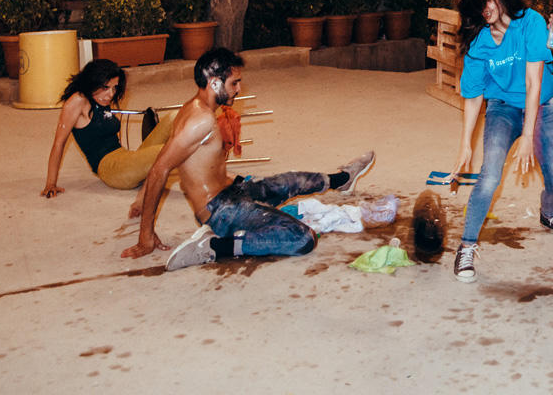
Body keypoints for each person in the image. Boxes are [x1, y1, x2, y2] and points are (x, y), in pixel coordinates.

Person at [121, 48, 375, 269]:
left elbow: (193, 164)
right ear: (215, 83)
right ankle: (214, 247)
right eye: (234, 83)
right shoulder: (200, 120)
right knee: (302, 238)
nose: (239, 89)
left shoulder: (199, 108)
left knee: (290, 181)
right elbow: (159, 169)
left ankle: (342, 179)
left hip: (232, 191)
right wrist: (146, 236)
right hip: (220, 211)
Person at [447, 0, 553, 284]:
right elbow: (474, 95)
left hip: (540, 108)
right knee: (489, 177)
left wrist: (528, 135)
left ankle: (548, 215)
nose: (485, 8)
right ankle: (467, 245)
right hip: (502, 109)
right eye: (480, 2)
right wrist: (465, 145)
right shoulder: (479, 40)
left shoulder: (531, 23)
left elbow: (534, 84)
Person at [42, 59, 172, 216]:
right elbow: (59, 143)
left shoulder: (101, 99)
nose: (110, 94)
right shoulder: (78, 101)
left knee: (174, 117)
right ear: (92, 82)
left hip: (126, 158)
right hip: (111, 169)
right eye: (105, 87)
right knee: (168, 150)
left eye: (114, 88)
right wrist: (51, 183)